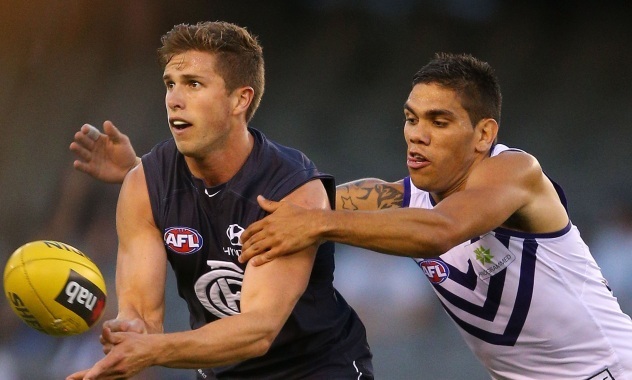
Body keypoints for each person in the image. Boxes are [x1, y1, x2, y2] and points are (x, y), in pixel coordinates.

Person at [70, 53, 632, 378]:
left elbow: (440, 233)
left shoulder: (516, 174)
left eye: (439, 121)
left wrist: (318, 224)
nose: (416, 133)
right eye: (412, 118)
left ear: (484, 133)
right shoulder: (398, 197)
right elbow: (275, 192)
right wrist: (146, 173)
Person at [67, 21, 373, 380]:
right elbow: (142, 317)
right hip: (221, 372)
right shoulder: (143, 185)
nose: (174, 100)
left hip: (317, 368)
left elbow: (259, 329)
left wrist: (152, 350)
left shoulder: (291, 189)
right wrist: (130, 333)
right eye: (170, 84)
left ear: (239, 99)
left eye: (193, 84)